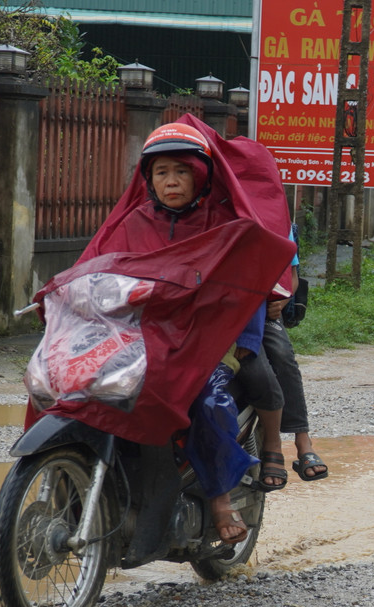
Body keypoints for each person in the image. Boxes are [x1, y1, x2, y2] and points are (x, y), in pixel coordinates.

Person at [77, 119, 298, 544]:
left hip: (203, 343)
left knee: (208, 401)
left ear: (201, 175)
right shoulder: (132, 222)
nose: (171, 181)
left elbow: (250, 274)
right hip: (139, 340)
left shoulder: (226, 223)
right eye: (161, 172)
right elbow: (97, 266)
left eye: (181, 171)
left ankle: (218, 498)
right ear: (148, 179)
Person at [262, 226, 328, 481]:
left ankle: (302, 441)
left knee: (282, 355)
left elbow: (291, 274)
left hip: (261, 310)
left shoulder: (278, 222)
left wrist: (283, 298)